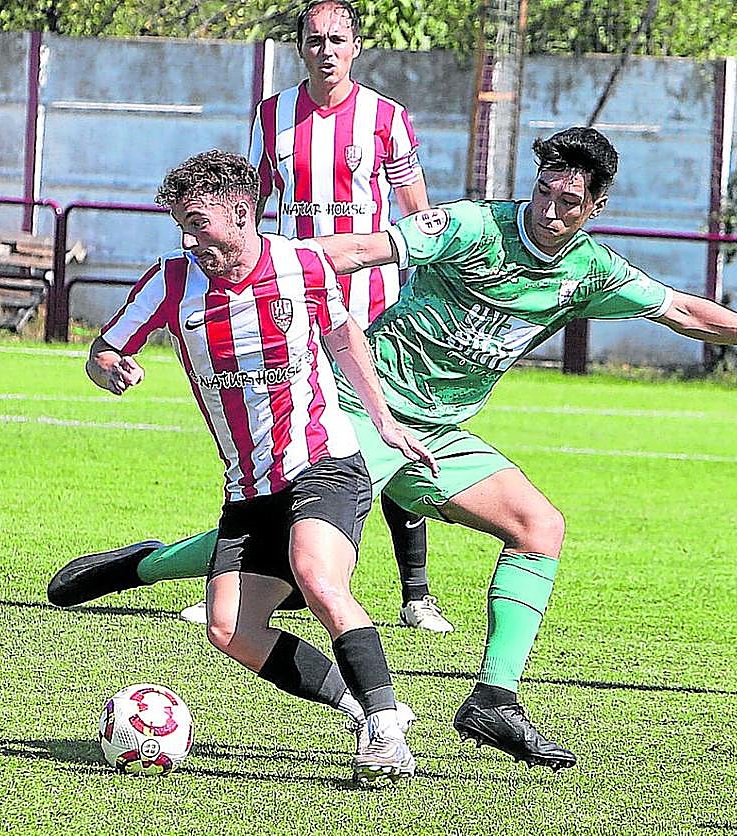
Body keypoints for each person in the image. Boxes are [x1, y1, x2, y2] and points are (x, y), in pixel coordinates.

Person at [49, 127, 737, 771]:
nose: (550, 210)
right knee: (293, 552)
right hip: (362, 410)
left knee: (539, 527)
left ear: (595, 208)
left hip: (439, 434)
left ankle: (495, 699)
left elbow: (684, 311)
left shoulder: (591, 271)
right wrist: (273, 262)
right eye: (544, 191)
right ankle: (150, 568)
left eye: (570, 202)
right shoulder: (471, 226)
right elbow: (363, 249)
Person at [71, 0, 454, 633]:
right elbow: (249, 201)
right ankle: (253, 581)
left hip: (372, 304)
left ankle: (414, 592)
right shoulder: (272, 116)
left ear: (356, 46)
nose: (326, 50)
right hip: (287, 303)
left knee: (377, 440)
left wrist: (430, 287)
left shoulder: (386, 118)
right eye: (314, 40)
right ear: (299, 47)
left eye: (337, 39)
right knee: (276, 450)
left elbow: (417, 214)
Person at [88, 149, 437, 785]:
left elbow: (343, 337)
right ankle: (361, 706)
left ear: (242, 211)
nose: (190, 241)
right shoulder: (170, 282)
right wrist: (110, 368)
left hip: (323, 462)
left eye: (199, 224)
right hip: (248, 488)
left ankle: (387, 731)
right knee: (230, 628)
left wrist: (384, 421)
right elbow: (102, 349)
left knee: (317, 575)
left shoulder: (302, 265)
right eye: (182, 228)